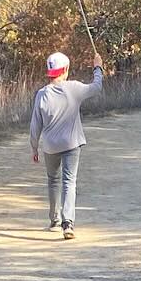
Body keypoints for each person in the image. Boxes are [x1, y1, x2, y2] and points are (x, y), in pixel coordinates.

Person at [30, 49, 103, 239]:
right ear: (66, 69)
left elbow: (35, 124)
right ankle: (67, 223)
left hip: (50, 146)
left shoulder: (41, 94)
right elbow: (96, 87)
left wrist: (34, 146)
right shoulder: (74, 88)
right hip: (71, 144)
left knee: (53, 180)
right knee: (69, 181)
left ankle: (54, 219)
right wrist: (98, 68)